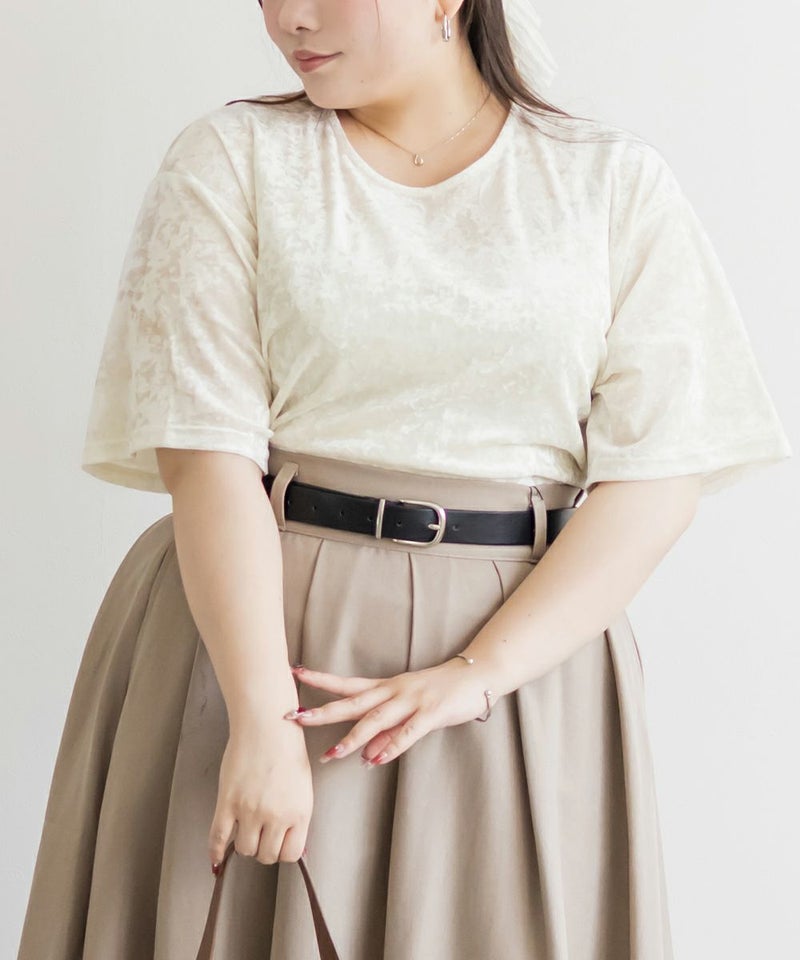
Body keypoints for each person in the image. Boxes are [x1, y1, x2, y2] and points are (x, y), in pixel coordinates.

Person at [17, 1, 792, 959]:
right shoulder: (235, 159)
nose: (290, 19)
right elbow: (206, 455)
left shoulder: (608, 181)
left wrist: (482, 674)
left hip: (521, 664)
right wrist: (260, 721)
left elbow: (659, 475)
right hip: (258, 645)